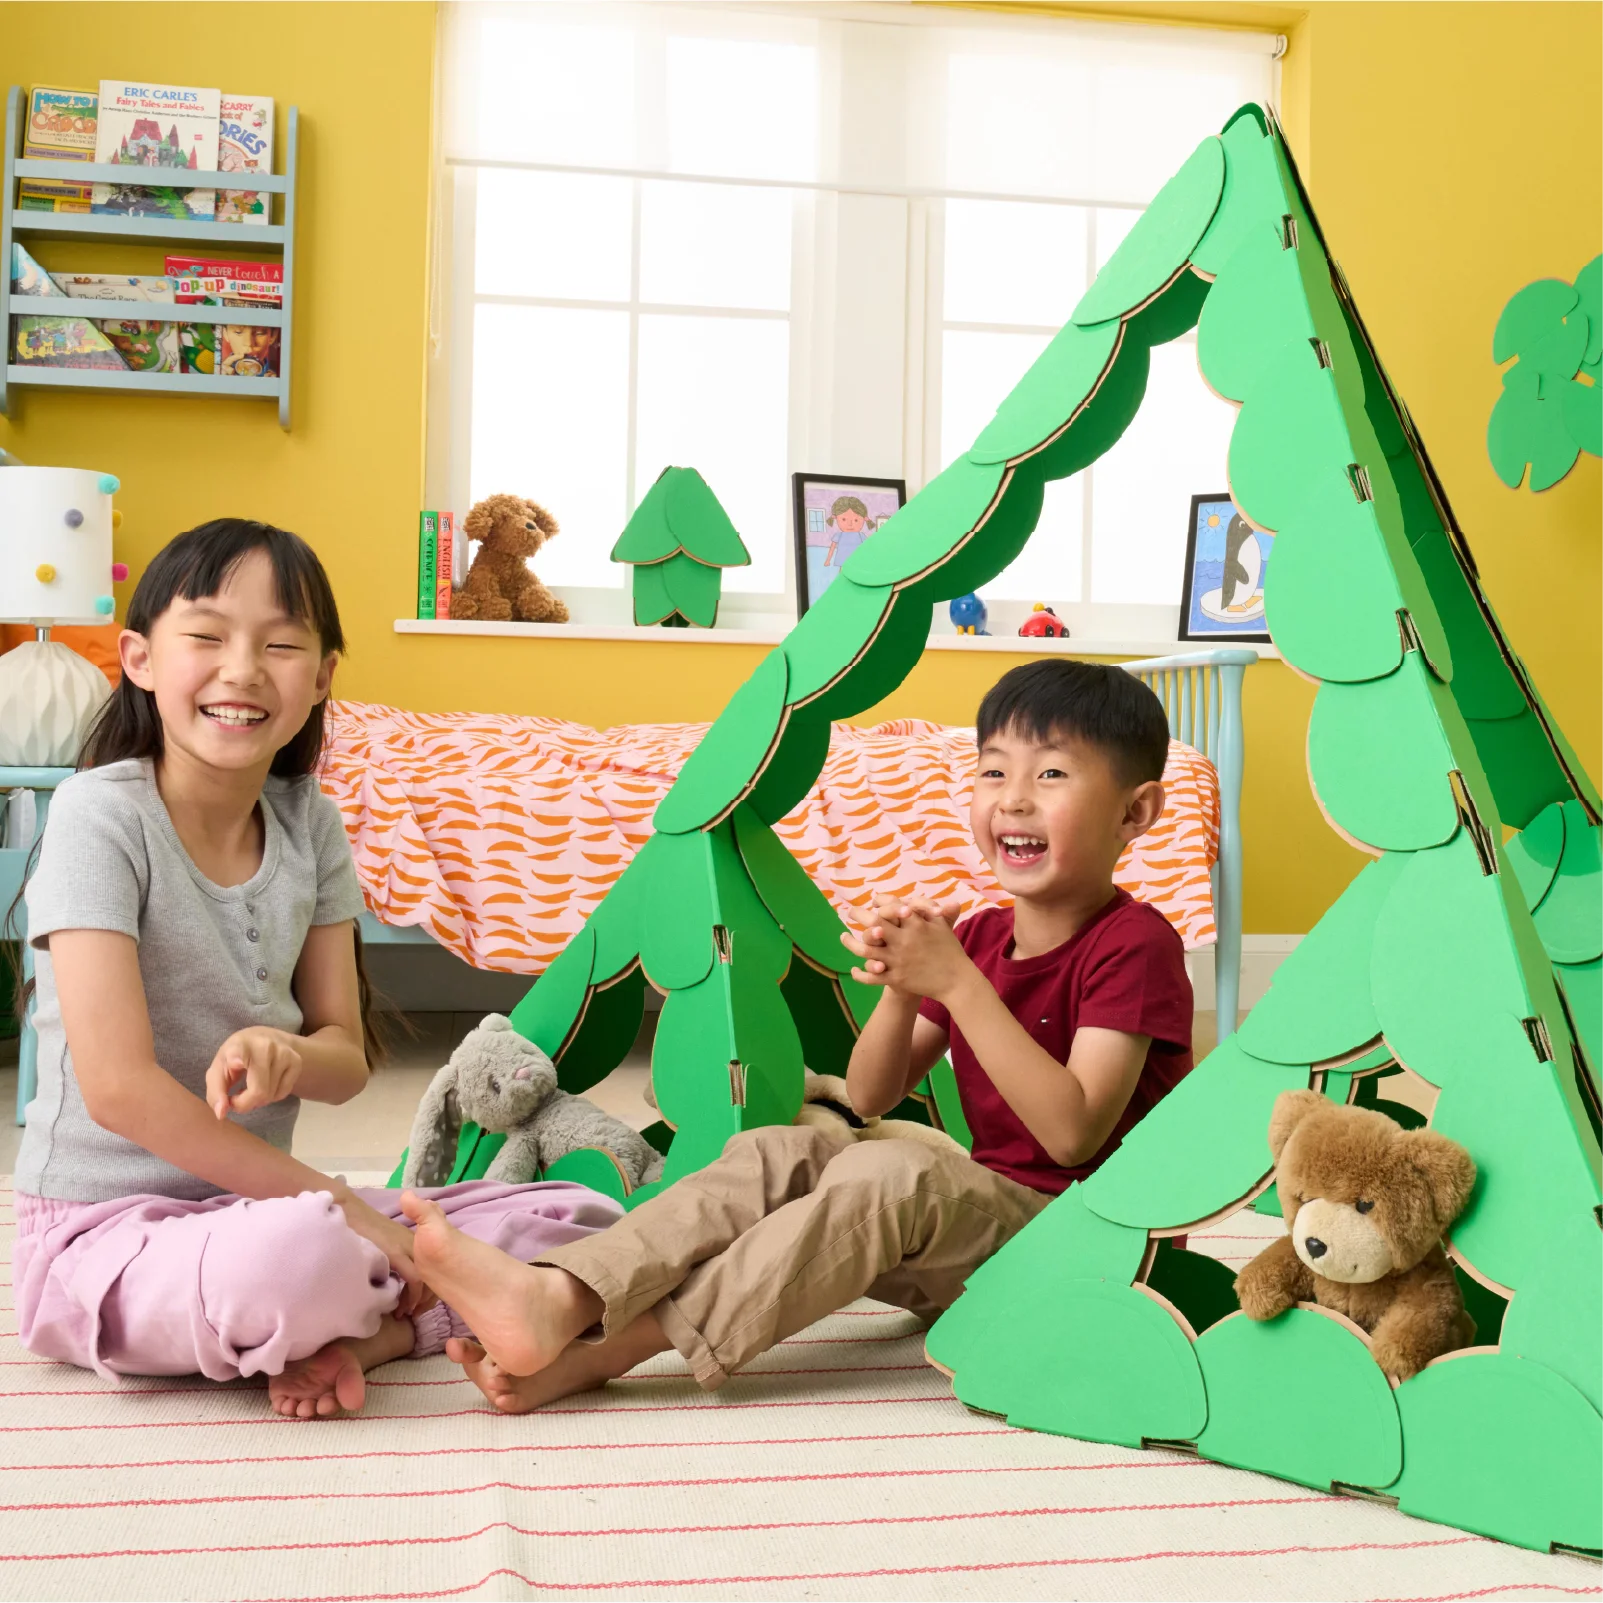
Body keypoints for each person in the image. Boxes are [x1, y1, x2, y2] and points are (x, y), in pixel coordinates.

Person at [401, 658, 1195, 1413]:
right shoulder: (981, 936)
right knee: (780, 1149)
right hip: (978, 1246)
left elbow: (1069, 1132)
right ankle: (564, 1296)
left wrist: (956, 983)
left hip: (1078, 1252)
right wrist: (898, 986)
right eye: (992, 770)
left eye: (1050, 774)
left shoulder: (1135, 944)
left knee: (892, 1174)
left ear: (1136, 811)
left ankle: (608, 1350)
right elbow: (876, 1094)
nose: (1012, 799)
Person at [12, 518, 621, 1419]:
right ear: (140, 658)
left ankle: (358, 1333)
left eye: (283, 643)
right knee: (296, 1259)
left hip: (266, 1208)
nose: (245, 667)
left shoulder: (312, 825)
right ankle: (386, 1312)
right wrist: (353, 1213)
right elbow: (119, 1090)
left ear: (324, 675)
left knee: (581, 1217)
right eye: (208, 636)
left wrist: (292, 1055)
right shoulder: (97, 816)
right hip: (107, 1237)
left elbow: (346, 1060)